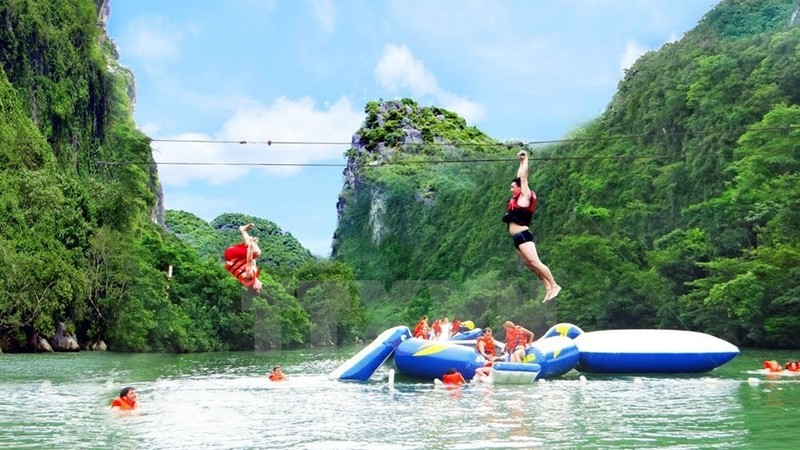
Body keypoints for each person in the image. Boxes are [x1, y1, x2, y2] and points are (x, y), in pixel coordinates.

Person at [503, 150, 561, 302]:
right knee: (529, 265)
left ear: (520, 188)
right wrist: (520, 162)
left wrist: (526, 159)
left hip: (523, 235)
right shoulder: (516, 200)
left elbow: (523, 177)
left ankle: (554, 285)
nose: (511, 189)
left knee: (535, 262)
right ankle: (547, 287)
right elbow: (519, 175)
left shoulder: (525, 197)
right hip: (516, 238)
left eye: (512, 187)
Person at [224, 223, 263, 293]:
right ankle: (243, 230)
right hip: (236, 257)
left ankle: (243, 230)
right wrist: (255, 244)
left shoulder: (249, 276)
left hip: (232, 255)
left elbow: (249, 260)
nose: (262, 286)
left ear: (255, 286)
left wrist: (251, 244)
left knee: (257, 252)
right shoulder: (253, 276)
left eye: (260, 288)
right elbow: (253, 260)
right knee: (256, 252)